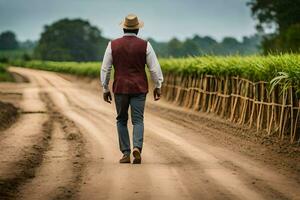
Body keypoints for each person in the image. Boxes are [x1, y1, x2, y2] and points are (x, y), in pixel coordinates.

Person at [100, 14, 163, 164]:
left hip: (120, 88)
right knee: (138, 120)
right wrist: (158, 85)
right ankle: (137, 147)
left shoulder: (112, 45)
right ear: (137, 30)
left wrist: (105, 88)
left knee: (121, 120)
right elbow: (154, 69)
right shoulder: (146, 45)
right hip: (139, 88)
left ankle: (126, 153)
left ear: (123, 28)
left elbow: (105, 69)